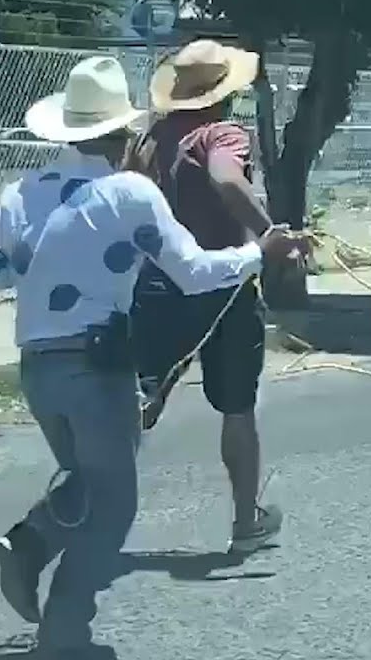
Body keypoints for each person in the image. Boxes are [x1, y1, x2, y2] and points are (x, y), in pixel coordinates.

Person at [0, 55, 308, 658]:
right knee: (113, 507)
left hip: (37, 366)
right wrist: (261, 253)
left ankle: (30, 544)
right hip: (97, 365)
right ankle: (65, 632)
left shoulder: (24, 192)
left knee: (88, 483)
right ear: (121, 131)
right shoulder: (128, 195)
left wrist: (39, 262)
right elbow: (196, 272)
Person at [125, 38, 292, 555]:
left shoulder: (148, 141)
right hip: (223, 284)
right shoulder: (221, 133)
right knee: (237, 405)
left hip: (156, 286)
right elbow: (226, 178)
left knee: (137, 403)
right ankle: (246, 520)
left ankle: (70, 509)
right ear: (224, 91)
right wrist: (272, 237)